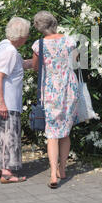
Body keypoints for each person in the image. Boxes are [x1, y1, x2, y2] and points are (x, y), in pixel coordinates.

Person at [0, 17, 33, 184]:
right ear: (21, 36)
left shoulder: (2, 46)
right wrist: (2, 103)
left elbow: (15, 66)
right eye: (27, 34)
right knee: (8, 136)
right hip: (5, 103)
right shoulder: (10, 51)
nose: (28, 37)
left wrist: (34, 62)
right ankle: (7, 172)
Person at [31, 11, 78, 189]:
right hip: (69, 89)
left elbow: (36, 68)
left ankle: (52, 173)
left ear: (39, 27)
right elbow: (75, 61)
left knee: (52, 133)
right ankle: (63, 169)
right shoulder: (69, 41)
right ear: (55, 22)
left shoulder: (39, 44)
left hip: (50, 91)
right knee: (65, 131)